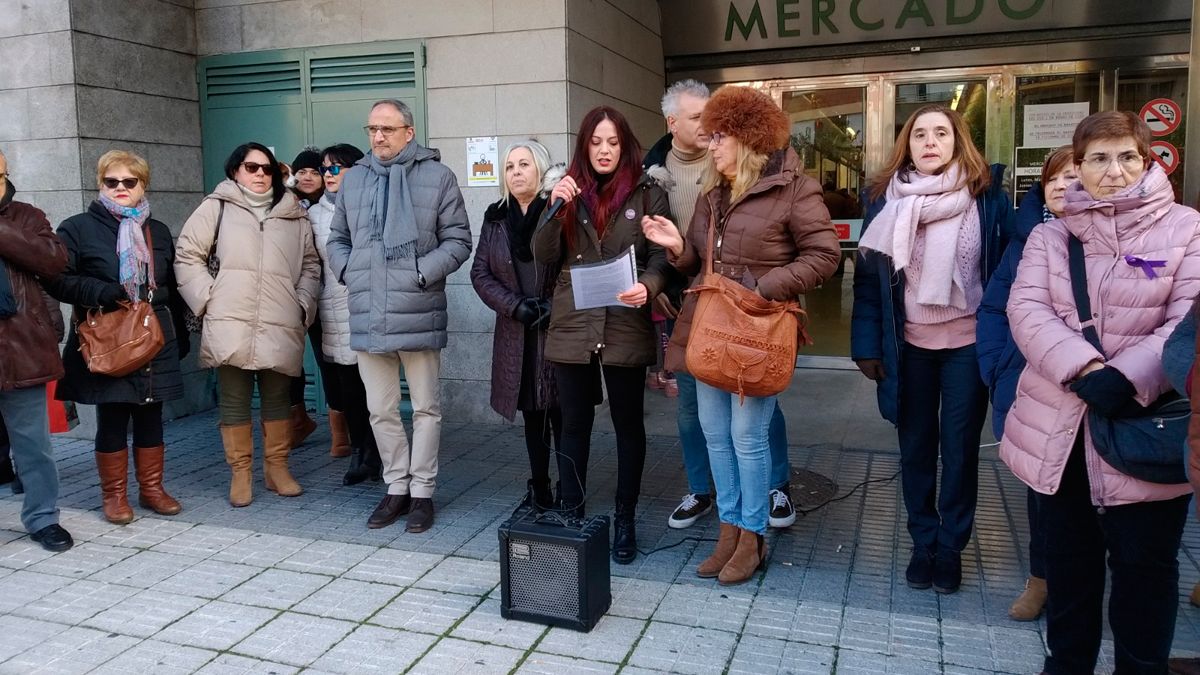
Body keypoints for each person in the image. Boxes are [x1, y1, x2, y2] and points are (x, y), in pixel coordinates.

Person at [1001, 111, 1200, 674]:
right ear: (1079, 167)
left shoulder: (1188, 229)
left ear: (1147, 161)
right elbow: (1026, 308)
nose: (1114, 171)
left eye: (1127, 156)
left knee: (1146, 575)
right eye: (1099, 158)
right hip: (1061, 432)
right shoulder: (1049, 234)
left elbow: (1188, 320)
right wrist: (1086, 368)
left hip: (1145, 428)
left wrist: (1129, 375)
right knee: (1069, 573)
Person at [643, 85, 840, 584]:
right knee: (714, 433)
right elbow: (697, 261)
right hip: (711, 328)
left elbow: (824, 256)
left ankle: (752, 535)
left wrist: (759, 287)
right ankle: (728, 528)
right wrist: (675, 249)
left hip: (756, 331)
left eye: (720, 137)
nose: (711, 145)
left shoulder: (795, 188)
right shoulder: (715, 195)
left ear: (748, 139)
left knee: (748, 437)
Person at [851, 104, 1011, 595]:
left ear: (957, 140)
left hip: (967, 345)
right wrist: (865, 344)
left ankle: (951, 546)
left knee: (960, 452)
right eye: (919, 134)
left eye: (941, 132)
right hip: (908, 347)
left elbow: (1006, 274)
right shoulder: (884, 200)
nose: (930, 142)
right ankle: (923, 541)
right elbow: (868, 281)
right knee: (916, 447)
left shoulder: (987, 197)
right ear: (907, 143)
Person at [532, 105, 672, 564]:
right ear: (584, 146)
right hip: (574, 320)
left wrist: (648, 287)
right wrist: (557, 206)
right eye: (596, 142)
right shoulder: (567, 190)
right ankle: (572, 511)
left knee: (628, 424)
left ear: (625, 144)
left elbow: (661, 256)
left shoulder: (649, 191)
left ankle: (625, 517)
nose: (605, 150)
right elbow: (542, 252)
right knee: (574, 423)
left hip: (624, 318)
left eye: (613, 142)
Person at [327, 99, 472, 533]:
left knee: (426, 408)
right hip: (369, 310)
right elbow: (337, 238)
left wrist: (420, 273)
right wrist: (350, 269)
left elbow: (459, 240)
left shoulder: (437, 176)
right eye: (372, 129)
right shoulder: (355, 182)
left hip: (418, 308)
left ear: (409, 132)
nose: (378, 137)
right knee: (381, 410)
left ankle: (423, 491)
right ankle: (396, 486)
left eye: (387, 129)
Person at [175, 142, 321, 507]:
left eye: (266, 169)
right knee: (235, 400)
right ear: (235, 171)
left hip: (280, 318)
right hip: (230, 317)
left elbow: (310, 266)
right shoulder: (216, 207)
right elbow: (187, 254)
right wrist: (209, 298)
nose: (259, 174)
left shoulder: (294, 214)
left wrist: (302, 304)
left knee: (278, 398)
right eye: (250, 167)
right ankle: (240, 473)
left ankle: (277, 468)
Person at [47, 150, 188, 524]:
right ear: (100, 183)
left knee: (152, 413)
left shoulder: (155, 230)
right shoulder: (76, 228)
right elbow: (58, 280)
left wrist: (181, 329)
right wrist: (102, 291)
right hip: (109, 335)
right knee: (113, 416)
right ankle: (114, 496)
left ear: (143, 185)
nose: (121, 188)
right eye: (113, 181)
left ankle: (152, 489)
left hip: (155, 334)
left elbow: (171, 283)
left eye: (130, 181)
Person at [976, 146, 1075, 621]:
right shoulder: (1026, 238)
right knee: (1043, 488)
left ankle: (1084, 582)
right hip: (1028, 379)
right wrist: (996, 367)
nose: (1060, 185)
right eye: (1053, 178)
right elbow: (996, 306)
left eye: (1073, 175)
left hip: (1093, 387)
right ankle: (1042, 578)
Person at [471, 140, 562, 510]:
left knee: (563, 413)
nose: (516, 172)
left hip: (556, 329)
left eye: (524, 164)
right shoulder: (495, 217)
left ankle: (570, 491)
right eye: (509, 167)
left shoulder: (558, 211)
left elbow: (576, 266)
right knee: (533, 416)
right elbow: (480, 273)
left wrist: (555, 306)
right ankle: (539, 487)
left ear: (540, 170)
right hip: (517, 332)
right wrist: (515, 306)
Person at [0, 148, 73, 551]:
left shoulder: (26, 217)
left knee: (33, 445)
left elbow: (53, 260)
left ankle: (43, 518)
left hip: (20, 346)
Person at [311, 142, 382, 485]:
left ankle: (381, 451)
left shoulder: (373, 205)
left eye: (336, 168)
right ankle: (359, 452)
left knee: (378, 387)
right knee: (347, 389)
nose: (328, 174)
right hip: (334, 308)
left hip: (373, 305)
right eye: (325, 169)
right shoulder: (313, 215)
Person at [284, 146, 324, 450]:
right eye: (302, 172)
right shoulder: (286, 205)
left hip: (331, 296)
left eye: (315, 171)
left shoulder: (334, 205)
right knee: (290, 362)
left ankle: (345, 430)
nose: (307, 177)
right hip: (295, 295)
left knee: (332, 362)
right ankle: (298, 421)